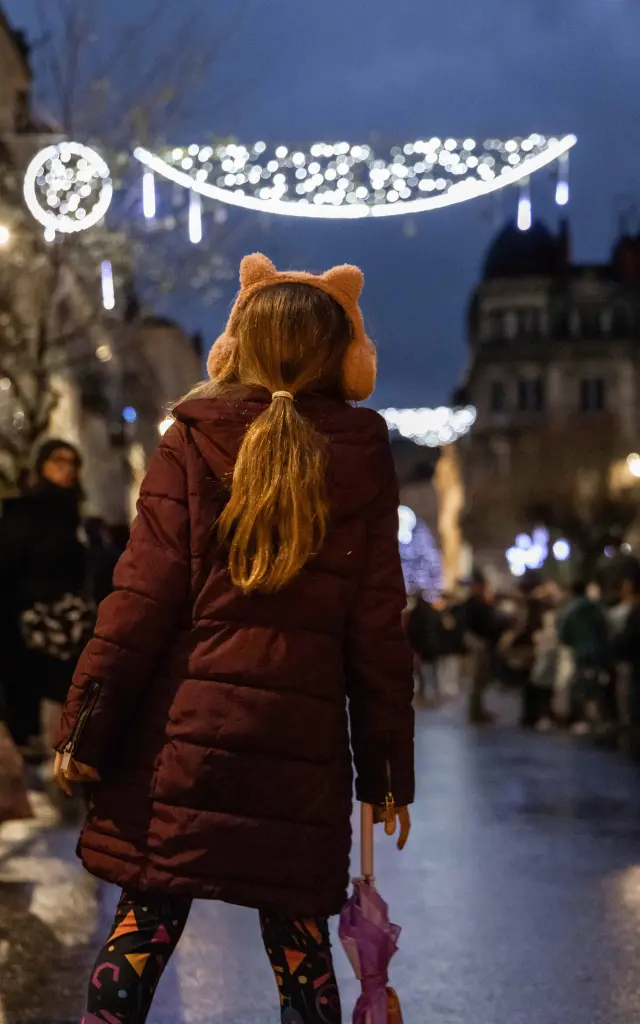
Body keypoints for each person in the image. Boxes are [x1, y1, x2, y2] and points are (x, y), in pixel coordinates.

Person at [53, 254, 415, 1024]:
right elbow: (378, 629)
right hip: (300, 747)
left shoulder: (191, 439)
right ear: (343, 358)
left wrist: (86, 727)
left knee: (144, 924)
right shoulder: (362, 454)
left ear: (234, 346)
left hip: (183, 738)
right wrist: (385, 773)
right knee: (300, 945)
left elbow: (139, 602)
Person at [0, 440, 89, 755]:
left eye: (72, 462)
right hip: (29, 623)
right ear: (42, 466)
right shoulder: (27, 510)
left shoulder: (73, 512)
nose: (67, 469)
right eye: (58, 461)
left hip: (66, 624)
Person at [558, 580, 611, 733]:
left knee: (581, 685)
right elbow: (604, 628)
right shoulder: (595, 607)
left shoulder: (569, 610)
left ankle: (584, 719)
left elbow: (564, 634)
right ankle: (600, 716)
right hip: (598, 652)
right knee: (598, 684)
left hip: (580, 653)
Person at [461, 571, 507, 723]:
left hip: (482, 644)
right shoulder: (473, 603)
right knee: (478, 679)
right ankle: (475, 713)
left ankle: (478, 711)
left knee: (482, 679)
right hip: (479, 645)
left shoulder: (478, 602)